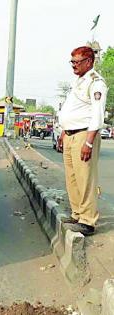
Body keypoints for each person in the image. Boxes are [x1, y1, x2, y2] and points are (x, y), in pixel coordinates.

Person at [58, 46, 108, 236]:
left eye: (76, 62)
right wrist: (64, 131)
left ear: (89, 62)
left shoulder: (96, 83)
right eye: (71, 62)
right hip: (70, 134)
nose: (73, 66)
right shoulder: (79, 81)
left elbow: (97, 114)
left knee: (85, 178)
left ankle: (88, 221)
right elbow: (74, 109)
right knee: (72, 177)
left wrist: (88, 142)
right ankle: (77, 213)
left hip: (83, 135)